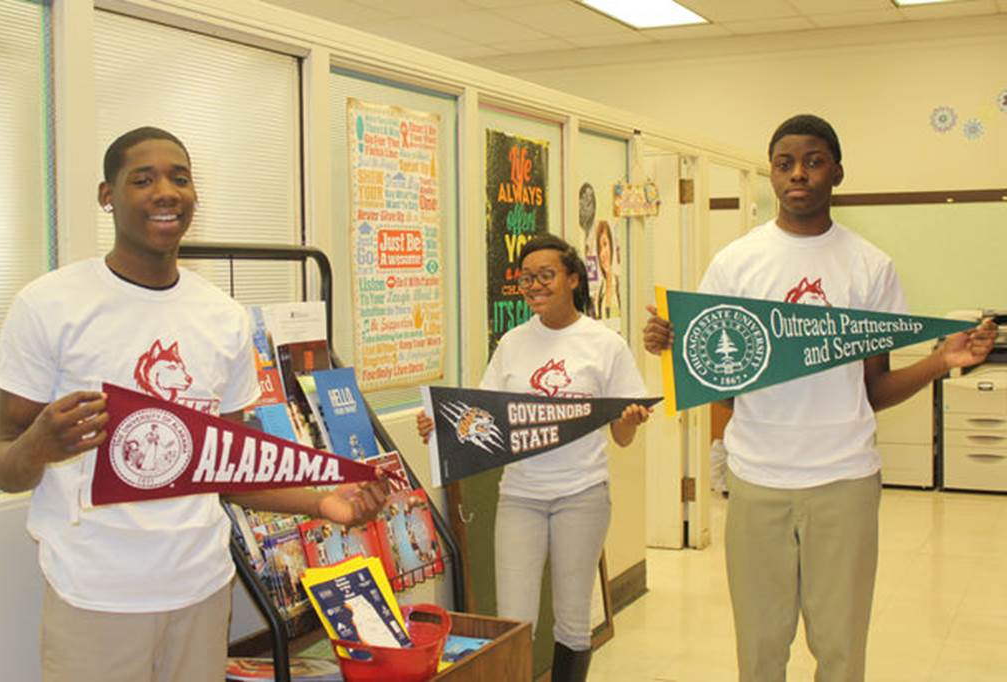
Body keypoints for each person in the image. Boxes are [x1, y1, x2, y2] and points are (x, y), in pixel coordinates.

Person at [0, 126, 389, 682]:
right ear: (108, 195)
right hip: (95, 594)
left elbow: (229, 471)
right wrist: (39, 444)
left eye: (180, 177)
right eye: (142, 179)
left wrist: (324, 503)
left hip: (200, 587)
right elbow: (5, 465)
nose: (166, 192)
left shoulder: (223, 317)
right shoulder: (50, 304)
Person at [642, 113, 997, 682]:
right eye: (784, 164)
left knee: (840, 648)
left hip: (845, 481)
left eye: (812, 161)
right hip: (757, 478)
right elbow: (711, 364)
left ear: (837, 172)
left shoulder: (870, 266)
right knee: (759, 647)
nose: (797, 174)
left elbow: (874, 389)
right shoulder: (736, 263)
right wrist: (669, 342)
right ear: (772, 177)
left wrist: (939, 361)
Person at [418, 234, 651, 682]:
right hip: (520, 496)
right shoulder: (512, 343)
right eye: (526, 278)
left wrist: (631, 420)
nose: (535, 286)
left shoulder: (604, 344)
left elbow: (621, 437)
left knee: (572, 616)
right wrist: (441, 426)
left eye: (546, 275)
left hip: (582, 495)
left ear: (573, 279)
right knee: (514, 621)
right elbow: (481, 419)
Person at [592, 220, 620, 320]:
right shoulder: (599, 292)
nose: (602, 254)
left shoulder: (622, 286)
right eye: (599, 248)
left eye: (605, 244)